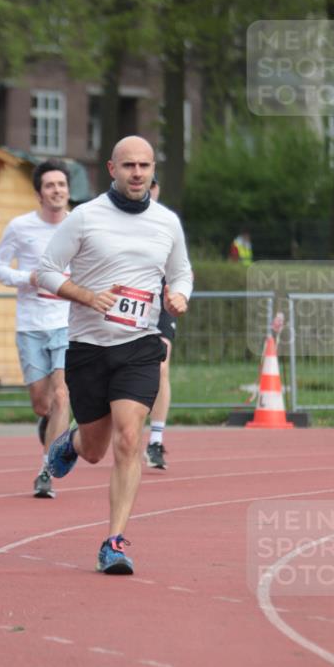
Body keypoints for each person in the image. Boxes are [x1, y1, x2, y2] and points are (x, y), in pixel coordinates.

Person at [38, 136, 193, 575]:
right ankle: (69, 441)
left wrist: (179, 296)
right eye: (129, 166)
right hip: (88, 347)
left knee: (129, 439)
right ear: (112, 168)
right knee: (93, 449)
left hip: (140, 346)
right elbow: (45, 271)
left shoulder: (166, 222)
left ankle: (114, 542)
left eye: (145, 165)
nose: (138, 173)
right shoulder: (85, 218)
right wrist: (86, 296)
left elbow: (181, 272)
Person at [0, 159, 71, 498]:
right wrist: (28, 278)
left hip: (67, 322)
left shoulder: (79, 225)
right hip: (30, 325)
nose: (57, 191)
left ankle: (46, 471)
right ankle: (48, 422)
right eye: (50, 185)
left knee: (62, 394)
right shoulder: (20, 227)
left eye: (62, 185)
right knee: (42, 402)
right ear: (39, 193)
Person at [145, 177, 175, 471]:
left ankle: (155, 440)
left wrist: (178, 293)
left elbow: (180, 266)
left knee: (161, 365)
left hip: (160, 301)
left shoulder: (166, 222)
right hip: (125, 300)